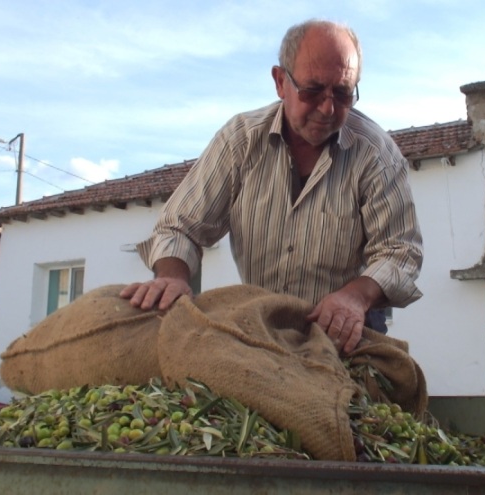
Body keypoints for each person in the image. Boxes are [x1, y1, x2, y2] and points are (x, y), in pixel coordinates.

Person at [121, 19, 422, 354]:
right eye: (312, 90)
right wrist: (174, 278)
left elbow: (400, 253)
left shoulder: (376, 154)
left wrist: (354, 297)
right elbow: (180, 227)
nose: (328, 108)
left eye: (342, 93)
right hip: (261, 325)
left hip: (348, 332)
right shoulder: (241, 141)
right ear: (281, 82)